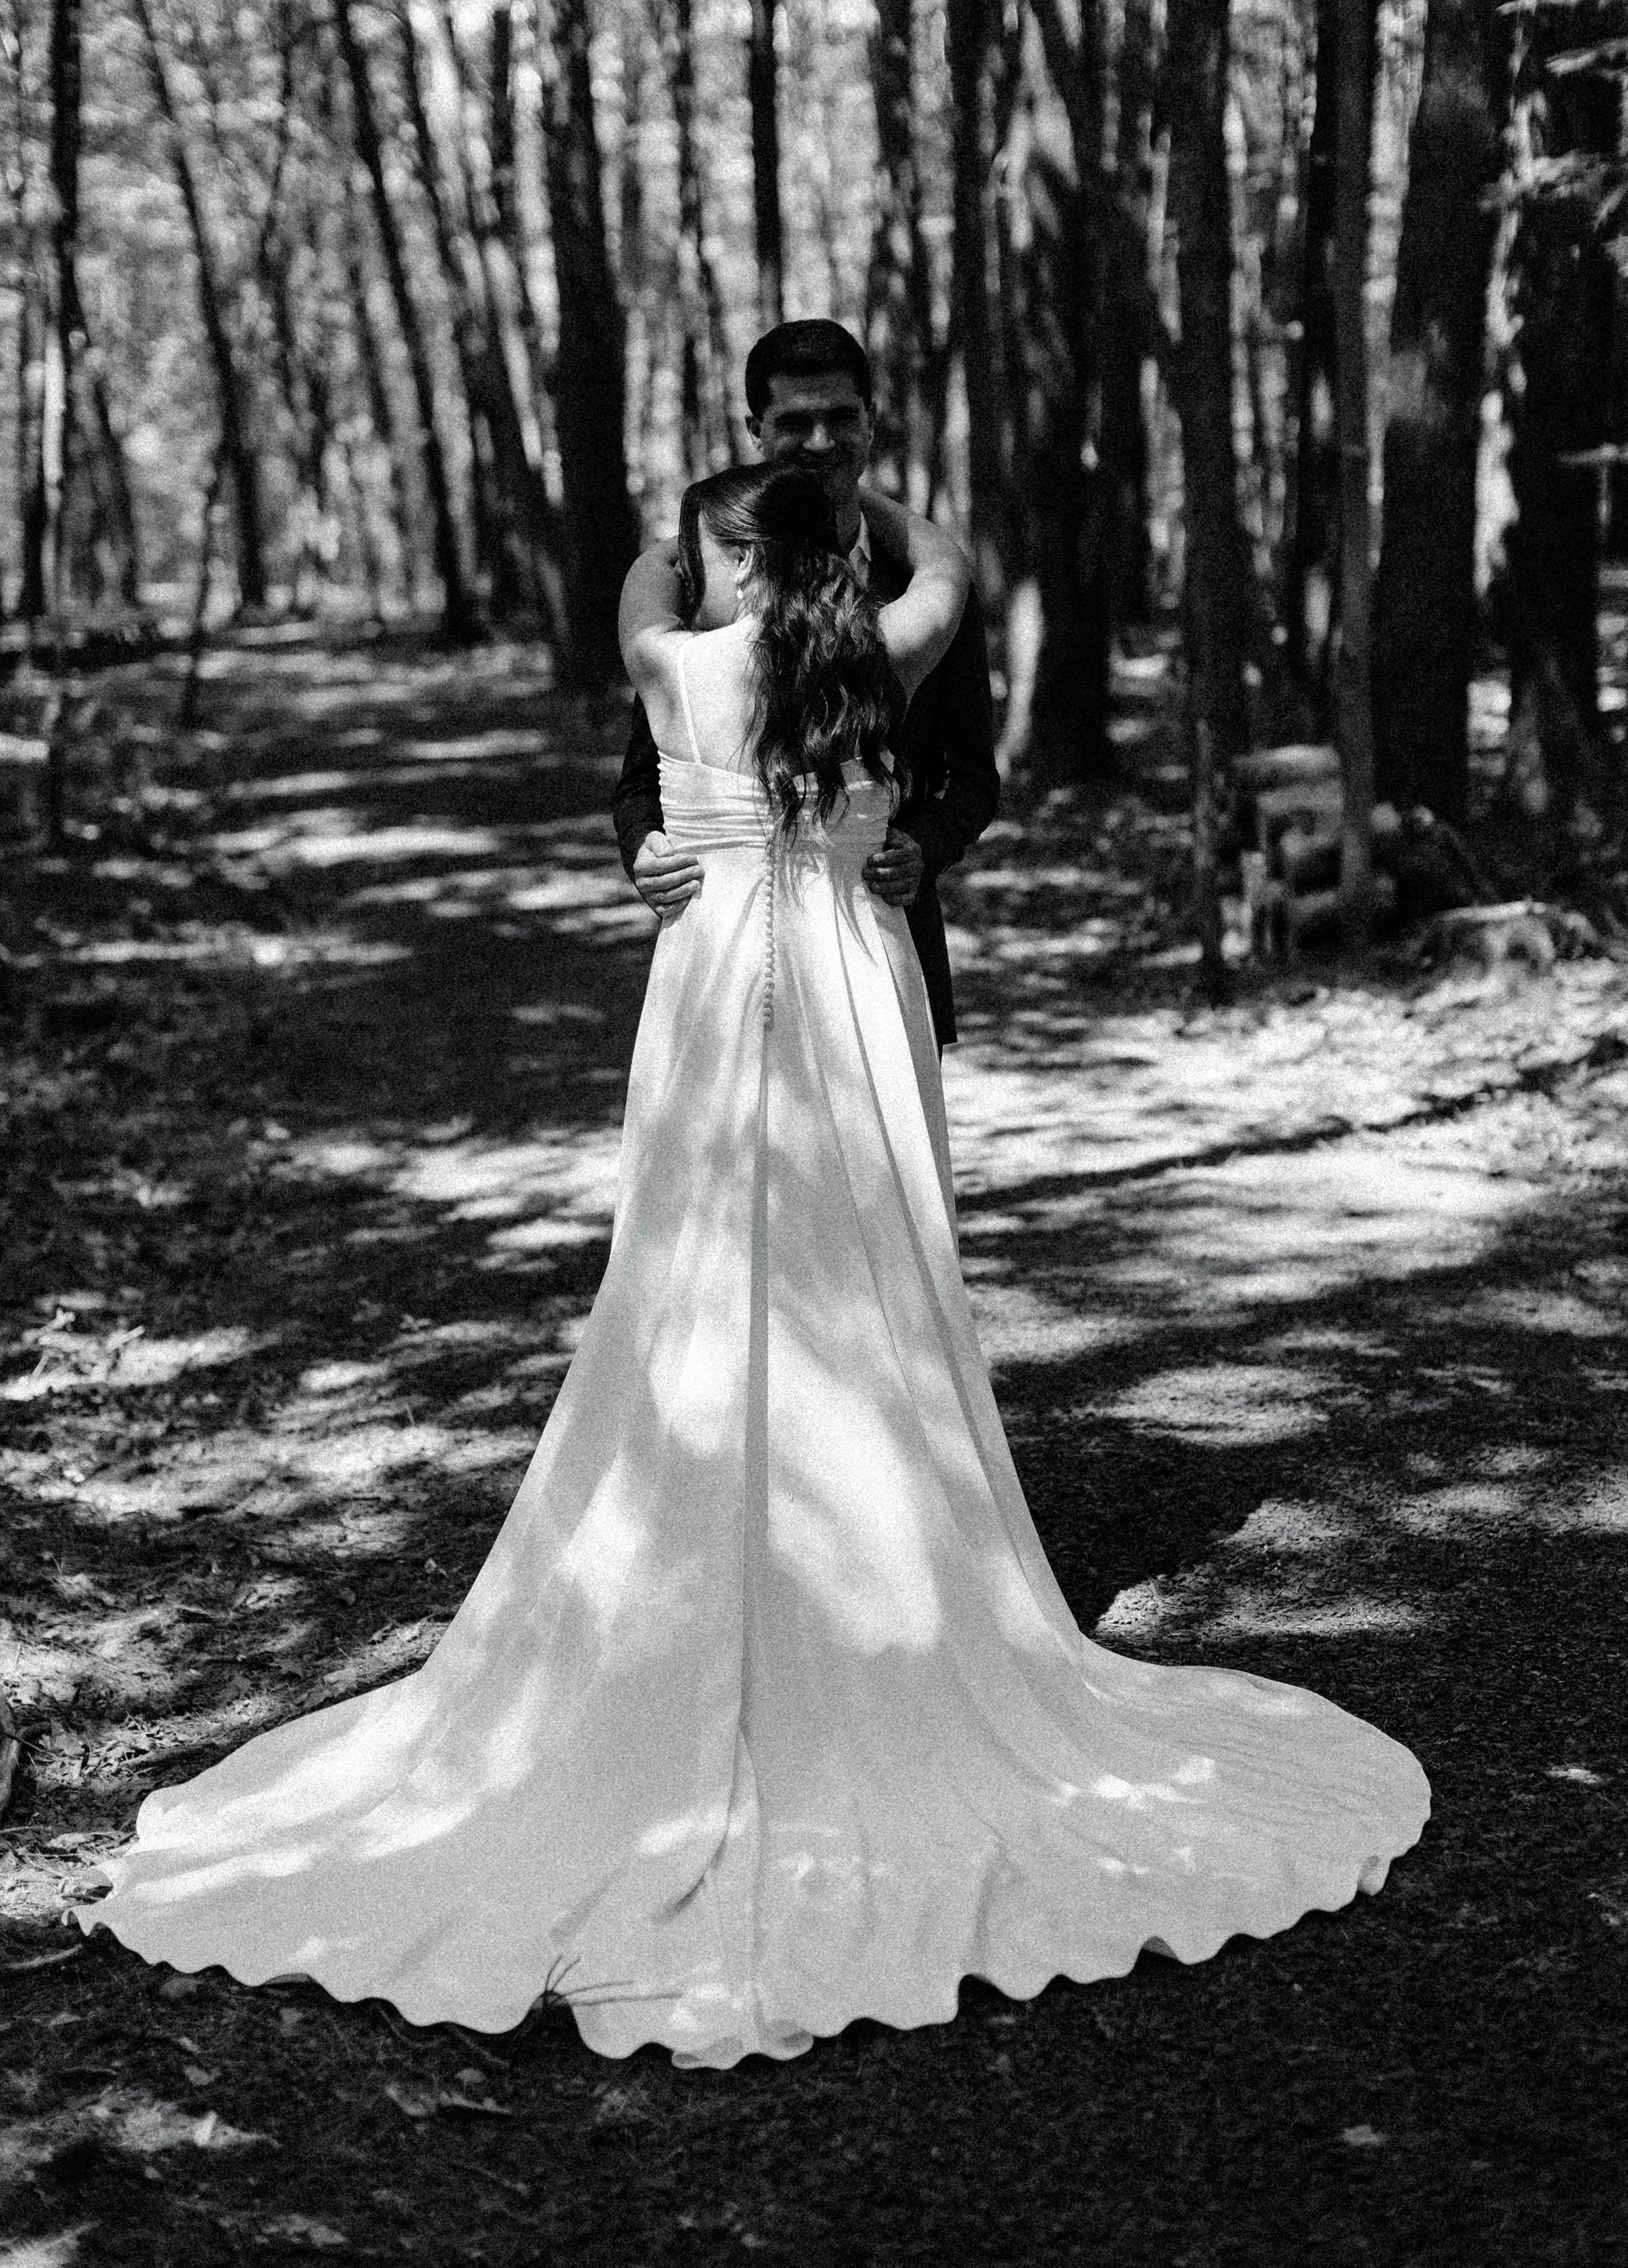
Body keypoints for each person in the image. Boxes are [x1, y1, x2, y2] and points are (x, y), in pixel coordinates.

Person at [75, 453, 1428, 2072]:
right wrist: (870, 511)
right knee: (872, 1281)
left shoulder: (677, 662)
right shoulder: (881, 658)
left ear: (731, 558)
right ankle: (885, 1588)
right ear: (835, 561)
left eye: (719, 554)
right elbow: (950, 566)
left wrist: (705, 546)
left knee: (694, 1277)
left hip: (715, 991)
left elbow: (637, 596)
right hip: (855, 989)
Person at [613, 318, 999, 1049]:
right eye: (794, 422)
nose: (821, 441)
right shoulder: (697, 588)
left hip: (884, 937)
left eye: (842, 417)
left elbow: (973, 776)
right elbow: (640, 780)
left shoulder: (910, 586)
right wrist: (642, 846)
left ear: (871, 421)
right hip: (724, 957)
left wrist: (926, 847)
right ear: (755, 430)